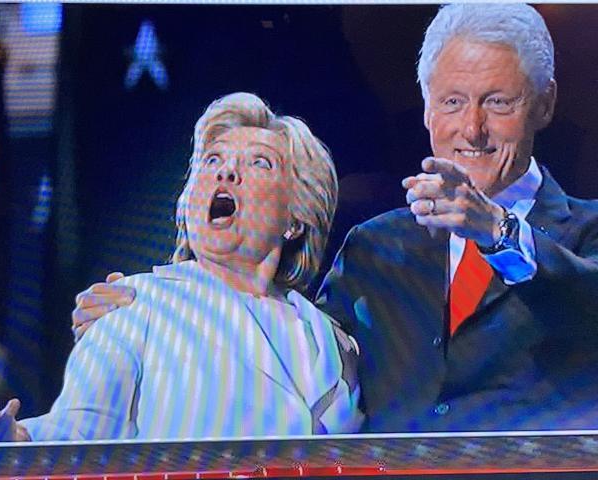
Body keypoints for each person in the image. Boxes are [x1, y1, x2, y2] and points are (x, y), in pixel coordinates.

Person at [76, 4, 598, 432]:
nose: (472, 128)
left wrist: (499, 233)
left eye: (498, 103)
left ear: (544, 104)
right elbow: (296, 357)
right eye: (452, 102)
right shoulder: (375, 247)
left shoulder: (586, 233)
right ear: (426, 109)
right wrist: (141, 321)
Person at [0, 92, 363, 441]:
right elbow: (79, 431)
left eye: (259, 163)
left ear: (294, 219)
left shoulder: (332, 340)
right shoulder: (134, 304)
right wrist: (11, 439)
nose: (227, 171)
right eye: (212, 160)